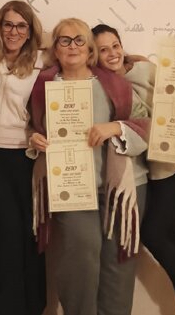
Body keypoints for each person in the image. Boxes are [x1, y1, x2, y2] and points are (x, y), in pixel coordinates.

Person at [28, 18, 150, 315]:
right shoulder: (43, 85)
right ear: (56, 48)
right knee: (79, 260)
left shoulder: (114, 84)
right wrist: (34, 138)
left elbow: (146, 124)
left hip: (120, 187)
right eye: (65, 40)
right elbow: (30, 124)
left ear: (89, 48)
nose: (73, 47)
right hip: (71, 188)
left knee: (118, 267)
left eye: (79, 40)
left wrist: (115, 128)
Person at [92, 23, 175, 315]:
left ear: (122, 46)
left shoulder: (144, 69)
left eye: (115, 46)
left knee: (154, 233)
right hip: (155, 169)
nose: (112, 53)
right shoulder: (102, 84)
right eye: (103, 49)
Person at [0, 0, 46, 315]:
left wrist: (131, 61)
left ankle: (26, 306)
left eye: (21, 26)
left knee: (21, 237)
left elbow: (82, 58)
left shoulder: (43, 63)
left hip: (21, 158)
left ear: (29, 31)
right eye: (7, 24)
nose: (13, 32)